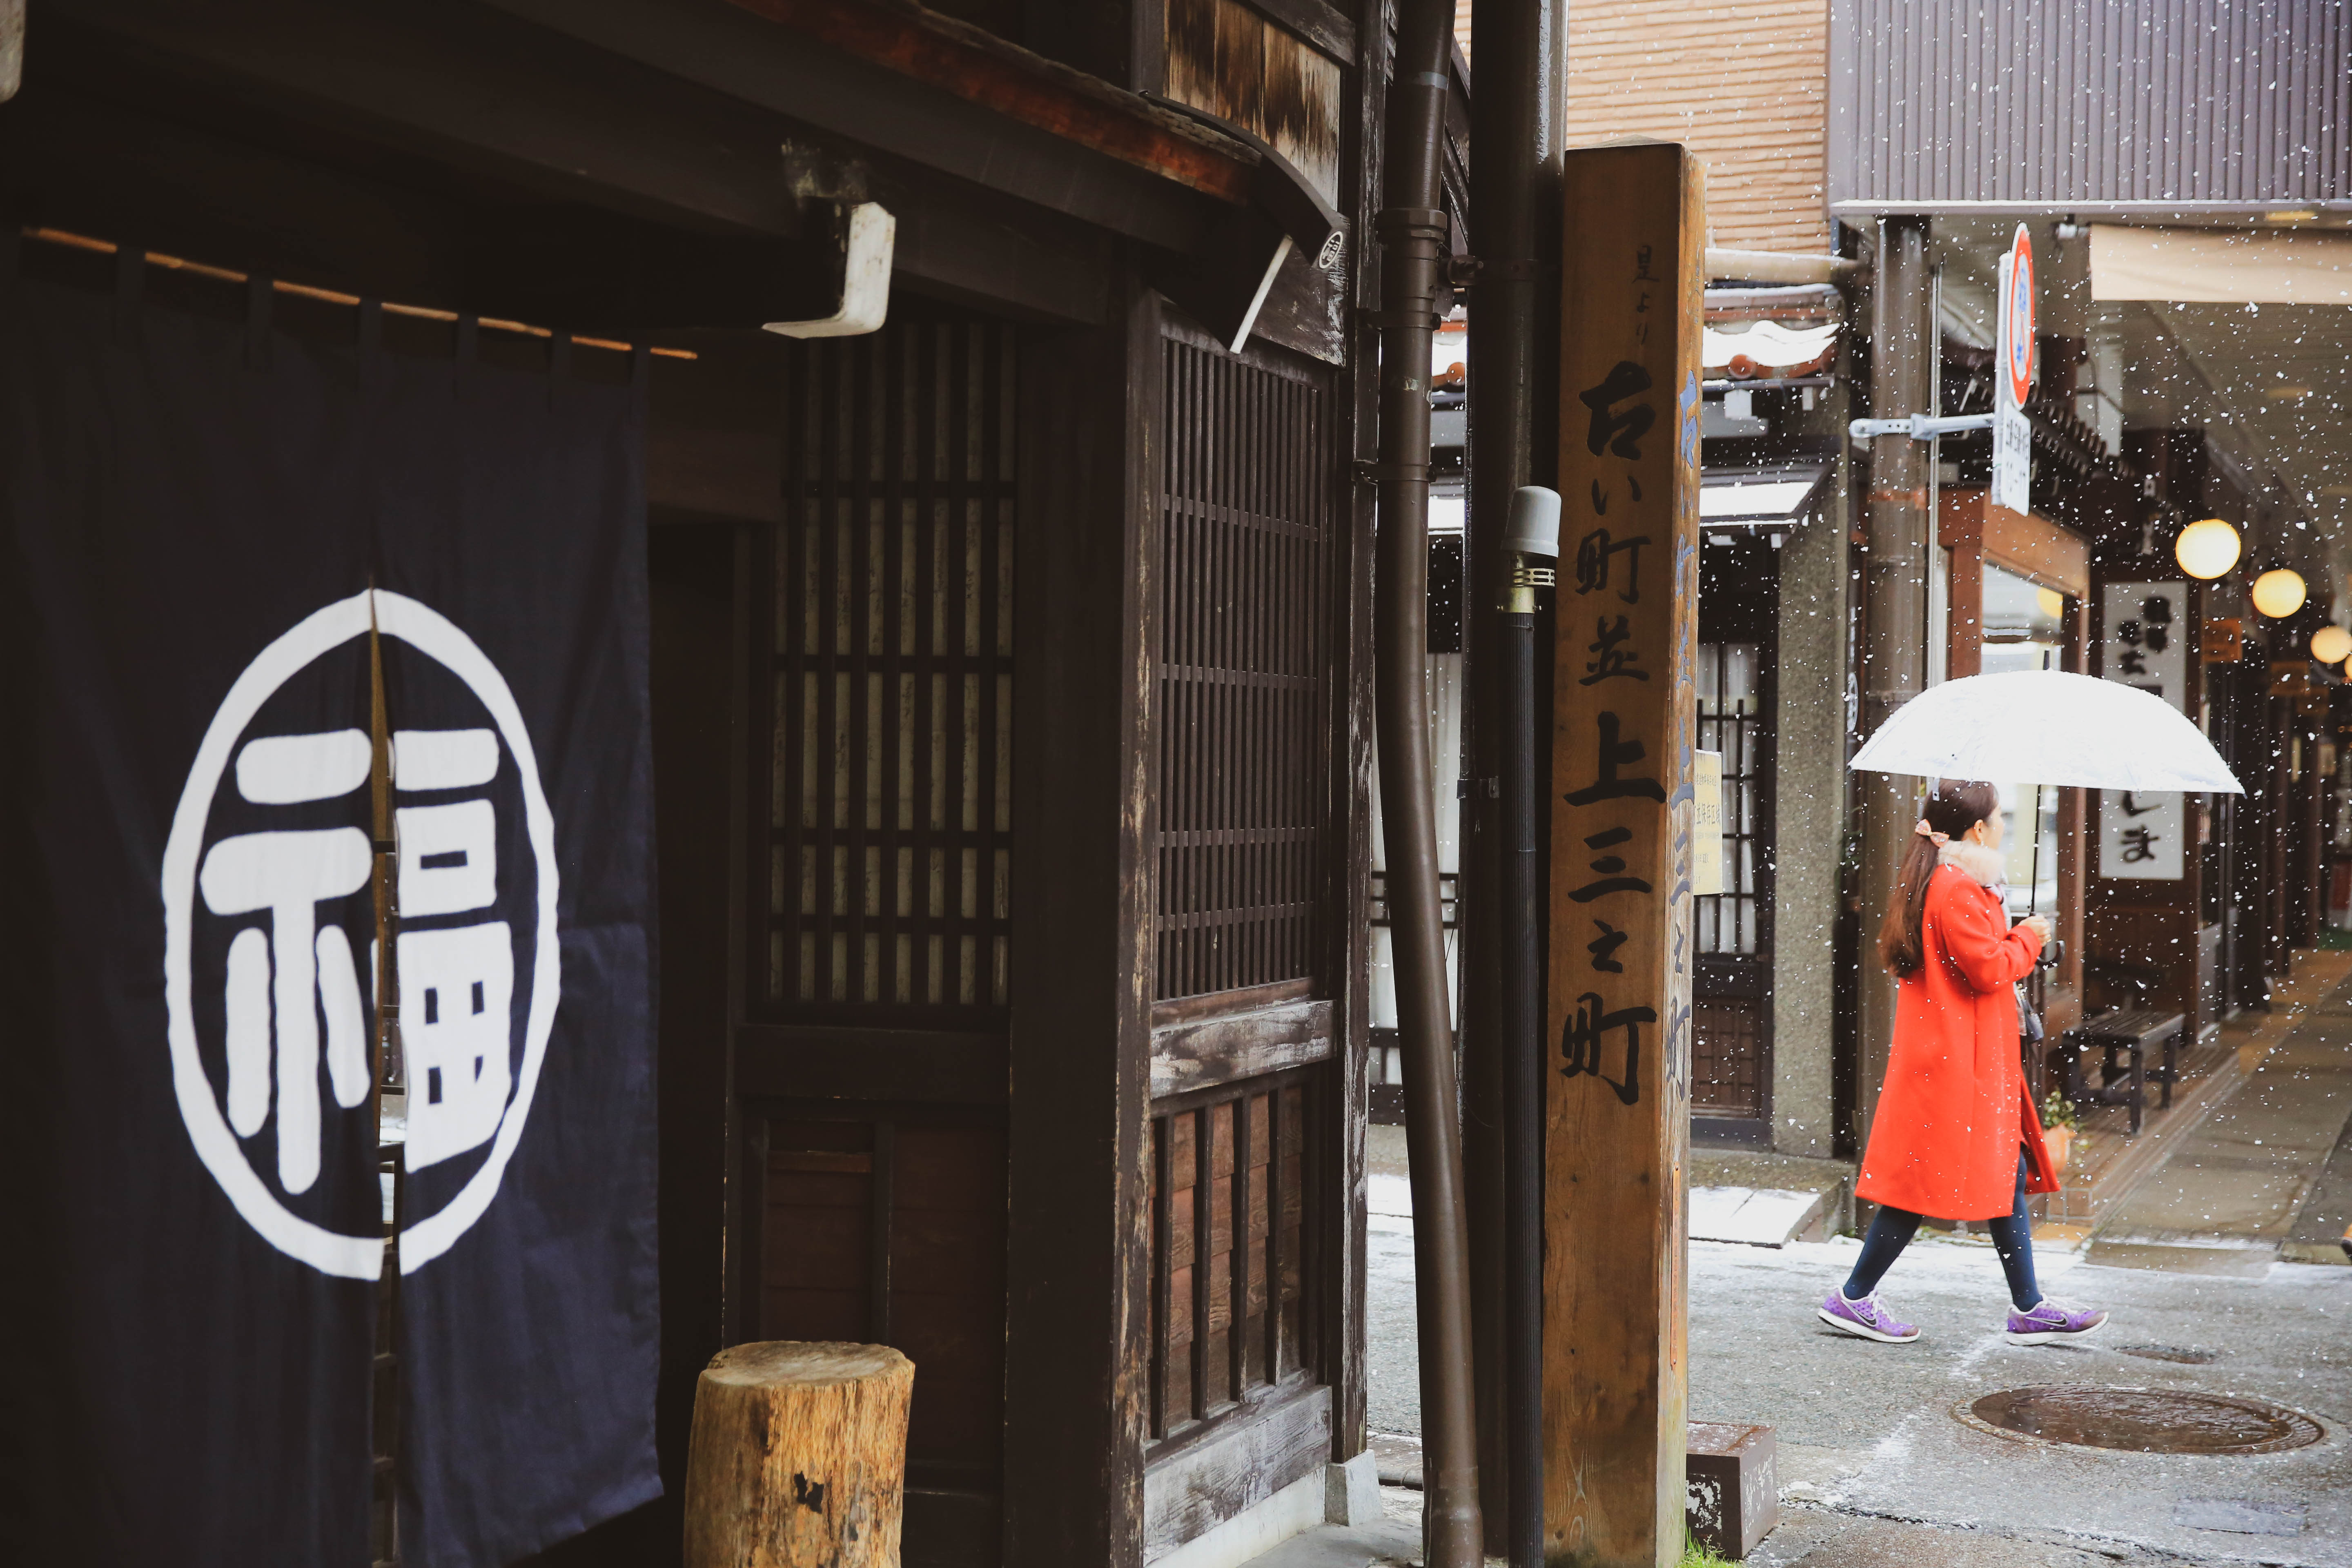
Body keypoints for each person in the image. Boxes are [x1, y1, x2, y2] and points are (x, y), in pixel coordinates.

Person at [1818, 779, 2108, 1346]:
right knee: (1921, 1186)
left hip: (1962, 1060)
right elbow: (1989, 970)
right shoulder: (1956, 888)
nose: (2002, 826)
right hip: (1959, 1066)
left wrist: (2005, 919)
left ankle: (2029, 1306)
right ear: (1978, 829)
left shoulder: (1953, 883)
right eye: (1998, 818)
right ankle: (1854, 1297)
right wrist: (2028, 938)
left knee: (2002, 1174)